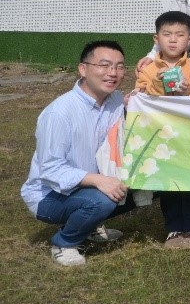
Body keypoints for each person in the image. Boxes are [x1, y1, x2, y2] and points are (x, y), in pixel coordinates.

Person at [22, 41, 134, 266]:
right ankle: (65, 243)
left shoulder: (114, 100)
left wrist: (136, 103)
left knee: (147, 183)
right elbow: (51, 169)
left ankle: (89, 225)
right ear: (83, 69)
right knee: (102, 200)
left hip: (86, 186)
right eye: (104, 65)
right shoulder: (59, 113)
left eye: (120, 66)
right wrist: (99, 180)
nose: (113, 73)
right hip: (49, 195)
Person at [133, 11, 190, 250]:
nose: (173, 40)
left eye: (180, 35)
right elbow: (140, 98)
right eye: (167, 34)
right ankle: (174, 226)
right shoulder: (148, 69)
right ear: (156, 39)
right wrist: (157, 84)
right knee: (167, 179)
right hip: (161, 135)